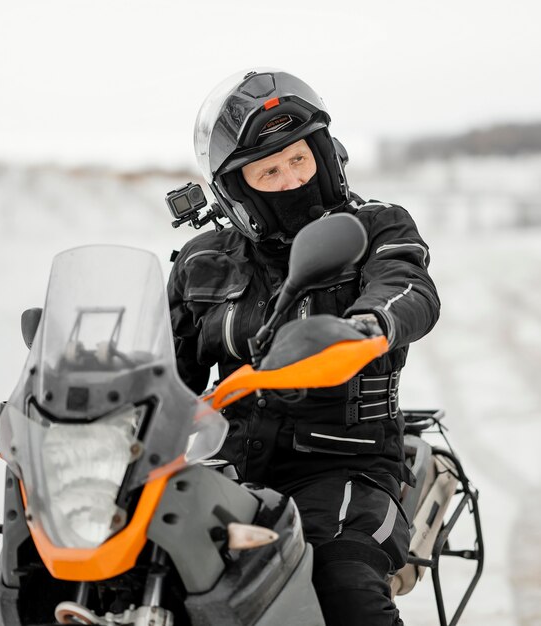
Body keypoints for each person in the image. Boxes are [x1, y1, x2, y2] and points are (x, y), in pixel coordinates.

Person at [167, 69, 440, 626]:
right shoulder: (203, 260)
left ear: (325, 154)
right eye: (268, 171)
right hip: (230, 463)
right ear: (238, 191)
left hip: (347, 464)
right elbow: (161, 366)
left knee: (336, 580)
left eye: (299, 159)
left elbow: (408, 286)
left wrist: (368, 326)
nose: (291, 180)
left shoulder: (374, 228)